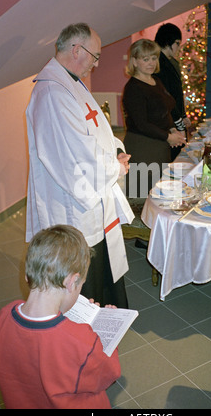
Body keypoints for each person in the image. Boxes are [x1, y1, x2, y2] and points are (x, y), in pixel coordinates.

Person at [25, 23, 134, 309]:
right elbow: (73, 157)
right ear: (77, 50)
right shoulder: (52, 93)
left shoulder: (71, 84)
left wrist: (118, 152)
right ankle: (84, 340)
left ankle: (104, 329)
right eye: (95, 56)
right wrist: (116, 168)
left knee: (101, 272)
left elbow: (98, 132)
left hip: (92, 198)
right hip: (73, 206)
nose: (96, 64)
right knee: (84, 281)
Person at [0, 225, 121, 409]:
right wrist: (104, 335)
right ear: (71, 282)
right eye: (80, 286)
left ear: (28, 276)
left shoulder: (5, 315)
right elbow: (110, 373)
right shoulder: (83, 342)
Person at [122, 38, 186, 196]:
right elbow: (142, 123)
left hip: (160, 144)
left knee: (159, 192)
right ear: (135, 62)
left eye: (154, 58)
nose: (151, 63)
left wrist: (172, 128)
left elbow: (166, 108)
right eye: (145, 59)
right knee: (142, 194)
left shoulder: (155, 80)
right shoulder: (133, 88)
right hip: (142, 147)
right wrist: (168, 136)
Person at [154, 23, 191, 160]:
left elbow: (176, 93)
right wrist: (179, 121)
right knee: (176, 159)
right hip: (170, 123)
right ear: (168, 41)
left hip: (174, 119)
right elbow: (167, 98)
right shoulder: (160, 64)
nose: (178, 47)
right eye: (177, 43)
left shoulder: (167, 62)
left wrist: (183, 115)